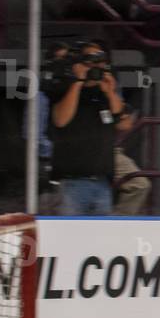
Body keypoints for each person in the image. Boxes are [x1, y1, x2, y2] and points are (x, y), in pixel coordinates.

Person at [48, 41, 127, 216]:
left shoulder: (104, 93)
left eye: (100, 59)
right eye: (90, 59)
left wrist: (110, 92)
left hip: (102, 182)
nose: (95, 64)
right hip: (72, 183)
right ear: (80, 62)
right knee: (68, 237)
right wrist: (78, 81)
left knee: (101, 240)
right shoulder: (64, 87)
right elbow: (60, 120)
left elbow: (123, 123)